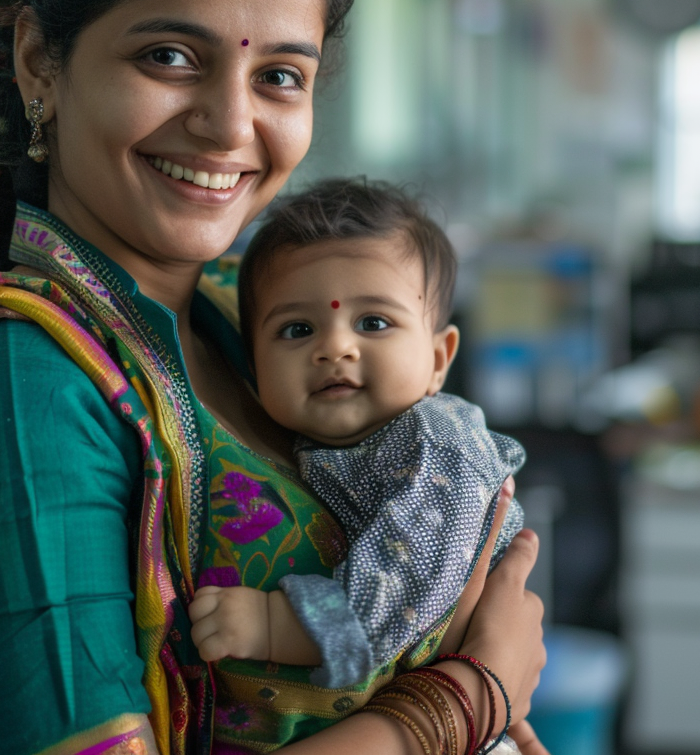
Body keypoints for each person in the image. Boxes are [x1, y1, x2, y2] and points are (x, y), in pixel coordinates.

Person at [0, 0, 546, 755]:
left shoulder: (235, 311)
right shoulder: (13, 391)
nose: (227, 124)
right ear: (43, 59)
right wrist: (462, 703)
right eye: (169, 57)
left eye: (281, 76)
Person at [187, 178, 526, 689]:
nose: (336, 347)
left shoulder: (437, 440)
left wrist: (274, 626)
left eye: (373, 322)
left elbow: (410, 577)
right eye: (297, 330)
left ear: (438, 360)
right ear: (254, 367)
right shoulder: (319, 444)